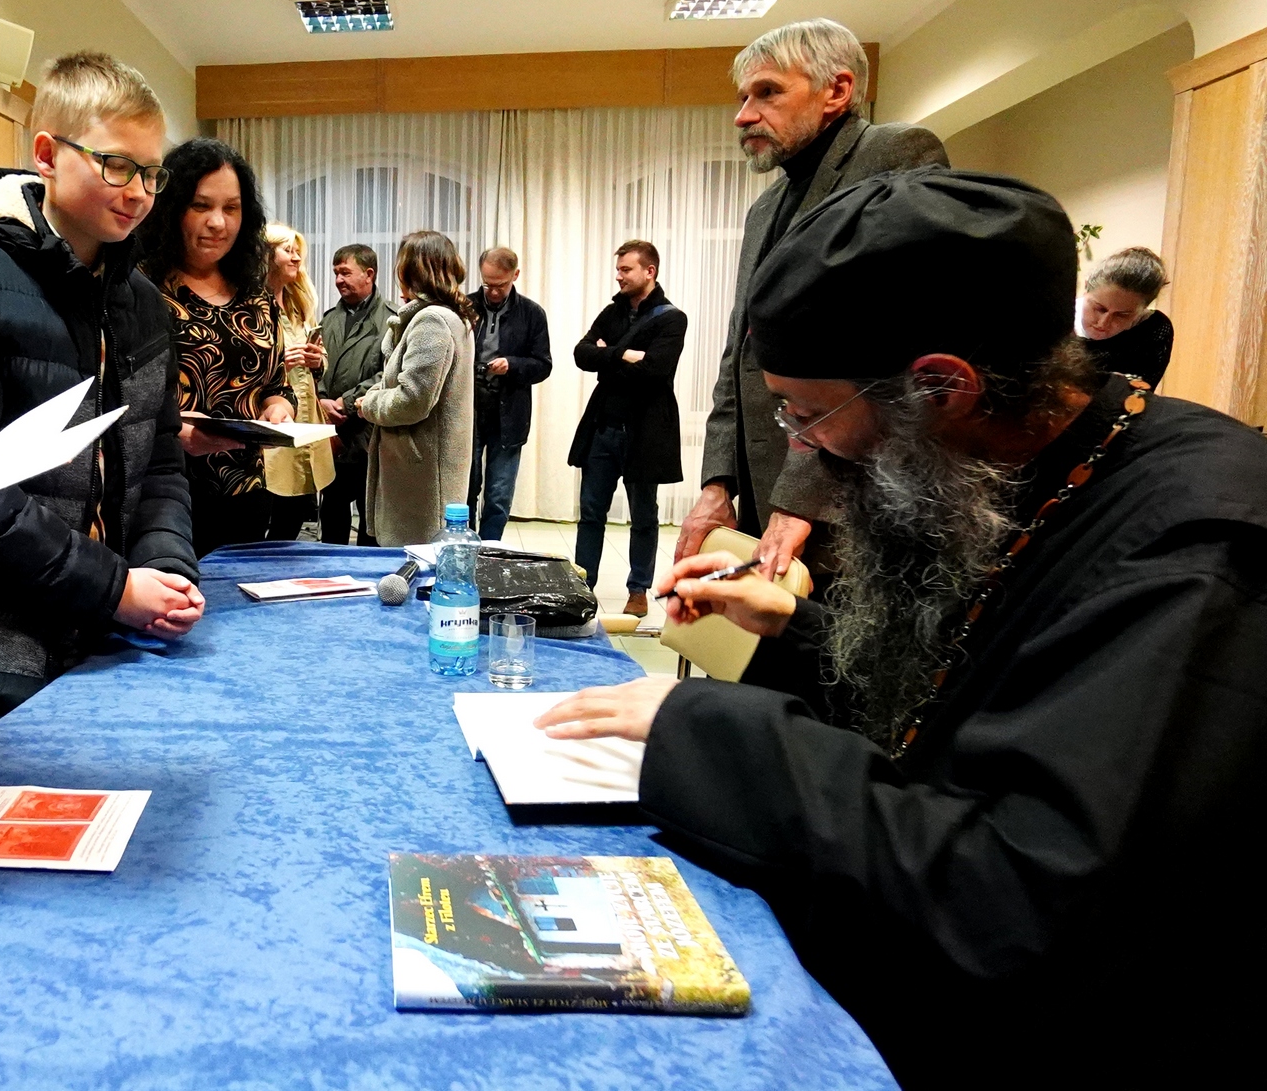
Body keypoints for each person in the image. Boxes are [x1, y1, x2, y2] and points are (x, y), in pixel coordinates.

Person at [534, 168, 1267, 1086]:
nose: (801, 448)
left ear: (941, 385)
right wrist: (797, 624)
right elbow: (963, 683)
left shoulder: (1201, 546)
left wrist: (700, 725)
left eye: (809, 414)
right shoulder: (1016, 462)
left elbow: (1017, 895)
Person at [0, 52, 202, 748]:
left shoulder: (146, 306)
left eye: (152, 172)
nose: (139, 191)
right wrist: (116, 586)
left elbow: (159, 467)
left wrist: (167, 572)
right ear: (46, 156)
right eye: (117, 164)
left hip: (106, 628)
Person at [682, 18, 948, 581]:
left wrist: (802, 496)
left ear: (838, 90)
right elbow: (741, 352)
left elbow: (884, 347)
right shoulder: (764, 207)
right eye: (743, 97)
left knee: (834, 659)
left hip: (848, 488)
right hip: (764, 481)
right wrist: (717, 481)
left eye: (768, 92)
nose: (744, 115)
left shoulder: (894, 154)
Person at [140, 138, 296, 554]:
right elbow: (117, 395)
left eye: (231, 208)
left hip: (246, 490)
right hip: (164, 495)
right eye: (201, 206)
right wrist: (178, 434)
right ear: (171, 209)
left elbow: (278, 384)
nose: (218, 223)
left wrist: (279, 408)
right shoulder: (140, 290)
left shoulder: (257, 296)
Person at [567, 240, 686, 612]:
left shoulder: (671, 318)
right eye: (618, 269)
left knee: (644, 516)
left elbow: (655, 370)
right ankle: (583, 584)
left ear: (649, 272)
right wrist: (623, 354)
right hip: (603, 427)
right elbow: (581, 354)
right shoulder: (611, 311)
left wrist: (607, 354)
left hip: (644, 431)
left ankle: (638, 590)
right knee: (590, 514)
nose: (619, 276)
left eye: (626, 270)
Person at [357, 231, 477, 546]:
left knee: (416, 566)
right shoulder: (450, 317)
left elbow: (412, 401)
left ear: (411, 269)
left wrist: (369, 404)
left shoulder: (433, 321)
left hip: (423, 476)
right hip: (424, 468)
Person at [465, 247, 552, 541]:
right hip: (469, 413)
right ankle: (465, 550)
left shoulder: (532, 313)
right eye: (487, 284)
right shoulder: (464, 307)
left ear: (515, 275)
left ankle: (489, 553)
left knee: (499, 495)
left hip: (509, 415)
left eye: (499, 285)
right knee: (466, 488)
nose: (492, 291)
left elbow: (543, 365)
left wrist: (511, 365)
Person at [261, 223, 335, 539]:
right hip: (272, 427)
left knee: (294, 516)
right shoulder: (251, 307)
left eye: (297, 253)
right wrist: (278, 363)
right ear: (266, 255)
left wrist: (318, 362)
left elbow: (317, 364)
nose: (296, 259)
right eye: (288, 251)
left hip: (306, 426)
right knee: (265, 512)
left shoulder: (297, 307)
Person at [317, 244, 394, 546]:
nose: (339, 279)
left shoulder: (391, 320)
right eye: (336, 273)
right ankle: (330, 575)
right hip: (331, 431)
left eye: (345, 272)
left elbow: (388, 373)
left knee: (369, 515)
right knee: (332, 508)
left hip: (368, 430)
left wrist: (346, 402)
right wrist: (322, 399)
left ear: (369, 274)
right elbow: (317, 366)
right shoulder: (328, 319)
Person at [1076, 245, 1172, 386]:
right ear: (1086, 288)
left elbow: (1140, 395)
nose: (1103, 323)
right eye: (1100, 309)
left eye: (1122, 315)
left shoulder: (1154, 330)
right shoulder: (1057, 321)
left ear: (1142, 310)